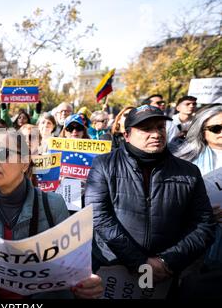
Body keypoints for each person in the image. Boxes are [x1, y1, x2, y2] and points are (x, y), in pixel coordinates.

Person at [0, 130, 103, 299]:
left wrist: (87, 286)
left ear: (25, 163)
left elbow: (72, 272)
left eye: (3, 153)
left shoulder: (53, 205)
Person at [85, 105, 215, 292]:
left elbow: (204, 225)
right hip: (113, 269)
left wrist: (166, 261)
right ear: (127, 135)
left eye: (160, 127)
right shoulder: (104, 165)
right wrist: (141, 263)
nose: (156, 134)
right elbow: (98, 218)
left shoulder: (189, 172)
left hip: (166, 275)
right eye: (146, 129)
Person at [174, 106, 222, 289]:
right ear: (202, 131)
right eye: (216, 128)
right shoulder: (184, 161)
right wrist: (203, 213)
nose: (221, 133)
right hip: (195, 242)